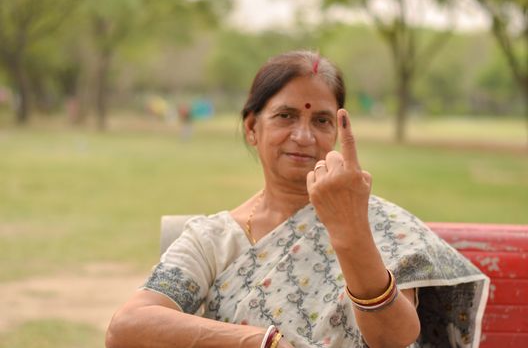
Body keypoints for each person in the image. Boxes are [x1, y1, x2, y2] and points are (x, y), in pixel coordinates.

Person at [106, 51, 489, 348]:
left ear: (338, 133)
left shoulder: (378, 224)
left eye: (321, 121)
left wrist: (350, 230)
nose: (304, 137)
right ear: (252, 128)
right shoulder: (214, 239)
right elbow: (126, 327)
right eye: (286, 116)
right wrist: (262, 341)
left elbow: (394, 338)